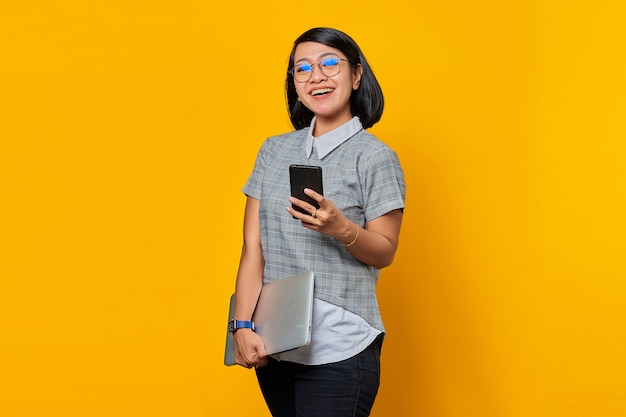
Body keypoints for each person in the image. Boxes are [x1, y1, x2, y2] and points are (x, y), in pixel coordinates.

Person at [230, 27, 406, 417]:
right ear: (294, 83)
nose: (316, 76)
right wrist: (240, 325)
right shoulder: (273, 150)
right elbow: (253, 247)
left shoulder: (374, 157)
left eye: (330, 63)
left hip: (339, 347)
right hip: (275, 341)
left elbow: (385, 251)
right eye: (302, 69)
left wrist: (341, 229)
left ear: (357, 75)